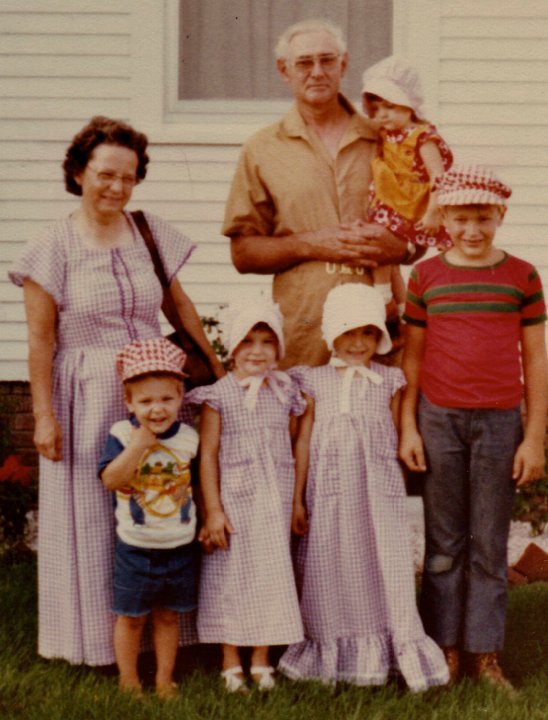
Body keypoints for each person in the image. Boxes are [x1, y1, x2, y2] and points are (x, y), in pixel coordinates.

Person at [8, 116, 224, 666]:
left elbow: (179, 306)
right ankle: (96, 644)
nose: (117, 188)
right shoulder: (50, 246)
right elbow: (40, 339)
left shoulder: (148, 230)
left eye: (129, 177)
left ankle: (168, 638)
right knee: (95, 509)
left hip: (156, 386)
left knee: (164, 494)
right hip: (85, 391)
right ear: (79, 172)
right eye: (106, 174)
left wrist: (214, 368)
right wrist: (43, 415)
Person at [399, 165, 548, 689]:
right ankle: (444, 648)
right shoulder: (426, 276)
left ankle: (485, 653)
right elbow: (411, 359)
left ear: (500, 215)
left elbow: (536, 358)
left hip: (500, 420)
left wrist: (534, 436)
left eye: (483, 218)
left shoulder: (522, 276)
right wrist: (409, 428)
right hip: (438, 418)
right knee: (444, 543)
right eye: (460, 218)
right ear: (444, 218)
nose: (472, 229)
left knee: (488, 541)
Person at [223, 19, 424, 368]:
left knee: (380, 415)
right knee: (304, 418)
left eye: (327, 60)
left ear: (344, 65)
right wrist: (310, 244)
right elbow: (243, 253)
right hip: (304, 327)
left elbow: (421, 228)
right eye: (304, 63)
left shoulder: (386, 138)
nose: (317, 72)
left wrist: (403, 248)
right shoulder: (262, 149)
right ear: (283, 70)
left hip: (377, 328)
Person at [278, 284, 449, 692]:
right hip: (328, 494)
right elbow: (302, 441)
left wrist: (393, 495)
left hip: (377, 497)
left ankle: (390, 648)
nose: (358, 343)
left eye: (368, 333)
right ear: (332, 332)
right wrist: (297, 497)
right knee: (328, 566)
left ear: (380, 337)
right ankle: (330, 652)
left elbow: (393, 437)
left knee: (381, 566)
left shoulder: (389, 380)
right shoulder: (312, 380)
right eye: (349, 332)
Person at [186, 298, 306, 693]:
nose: (257, 350)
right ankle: (229, 658)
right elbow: (208, 455)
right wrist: (213, 510)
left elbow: (289, 445)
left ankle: (261, 657)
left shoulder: (286, 391)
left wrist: (293, 502)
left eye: (267, 341)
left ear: (279, 348)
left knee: (270, 576)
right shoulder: (219, 395)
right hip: (234, 499)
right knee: (231, 578)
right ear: (232, 347)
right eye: (248, 341)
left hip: (273, 499)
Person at [98, 338, 199, 698]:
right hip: (136, 548)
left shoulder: (188, 437)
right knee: (131, 617)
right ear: (129, 403)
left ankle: (163, 679)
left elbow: (195, 485)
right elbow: (111, 479)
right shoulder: (122, 434)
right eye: (145, 401)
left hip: (179, 545)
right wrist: (140, 445)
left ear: (180, 397)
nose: (157, 409)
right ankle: (129, 680)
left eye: (166, 399)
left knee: (169, 616)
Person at [361, 54, 453, 328]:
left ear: (409, 105)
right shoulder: (386, 135)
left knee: (381, 249)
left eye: (390, 106)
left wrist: (433, 213)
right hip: (390, 199)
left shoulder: (422, 137)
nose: (382, 115)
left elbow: (439, 176)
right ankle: (403, 310)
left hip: (413, 204)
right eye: (376, 109)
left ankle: (381, 300)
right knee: (390, 260)